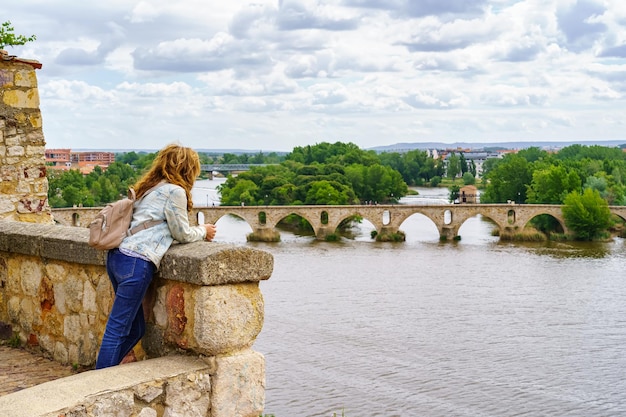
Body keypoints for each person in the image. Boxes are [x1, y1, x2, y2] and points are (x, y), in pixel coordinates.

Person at [95, 144, 216, 369]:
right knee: (118, 328)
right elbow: (181, 233)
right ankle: (98, 382)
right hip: (136, 262)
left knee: (136, 328)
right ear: (188, 169)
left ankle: (106, 371)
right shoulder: (174, 191)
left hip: (117, 257)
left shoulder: (150, 188)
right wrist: (204, 231)